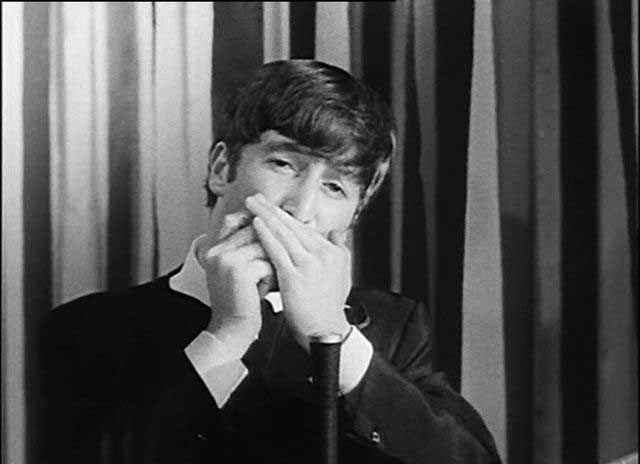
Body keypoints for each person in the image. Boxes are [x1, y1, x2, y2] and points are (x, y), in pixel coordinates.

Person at [39, 60, 501, 463]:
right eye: (284, 163)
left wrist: (334, 338)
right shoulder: (88, 327)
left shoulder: (392, 328)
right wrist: (227, 335)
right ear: (222, 169)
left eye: (334, 187)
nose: (301, 208)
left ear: (352, 218)